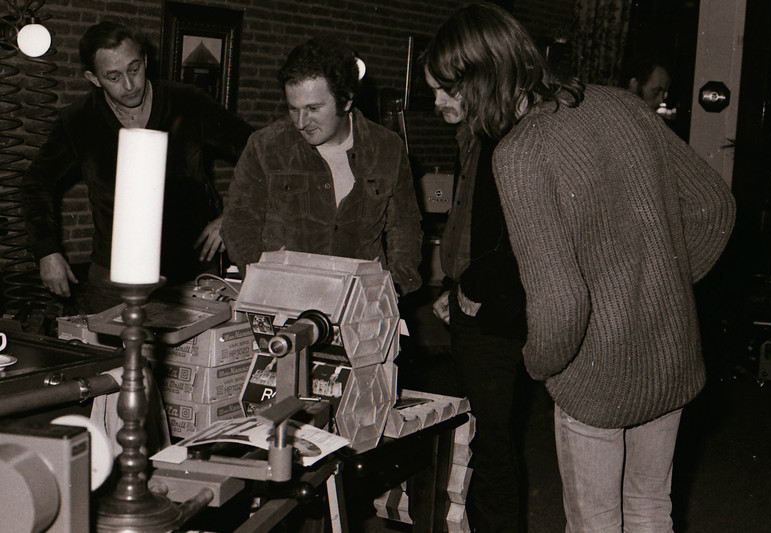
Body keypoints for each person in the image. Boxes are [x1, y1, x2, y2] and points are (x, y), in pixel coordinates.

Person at [427, 3, 736, 532]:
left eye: (447, 89)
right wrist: (658, 292)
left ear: (483, 79)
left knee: (595, 522)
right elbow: (714, 207)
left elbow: (563, 303)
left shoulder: (520, 152)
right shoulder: (619, 102)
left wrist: (539, 364)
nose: (437, 102)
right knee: (650, 507)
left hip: (595, 372)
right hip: (670, 347)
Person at [22, 21, 254, 314]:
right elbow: (36, 183)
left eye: (134, 69)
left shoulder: (188, 102)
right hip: (113, 275)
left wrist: (231, 215)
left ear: (145, 60)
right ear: (94, 78)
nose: (130, 85)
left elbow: (260, 153)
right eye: (114, 77)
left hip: (189, 270)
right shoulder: (78, 120)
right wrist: (47, 251)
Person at [424, 34, 528, 533]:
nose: (436, 102)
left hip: (492, 312)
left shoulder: (507, 140)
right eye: (433, 90)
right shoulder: (470, 135)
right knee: (478, 437)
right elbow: (467, 225)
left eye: (446, 90)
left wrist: (473, 288)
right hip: (469, 301)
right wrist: (453, 285)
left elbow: (518, 237)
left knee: (491, 446)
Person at [222, 37, 423, 296]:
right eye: (293, 109)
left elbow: (405, 226)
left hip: (362, 302)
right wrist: (262, 277)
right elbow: (238, 221)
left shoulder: (388, 148)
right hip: (285, 299)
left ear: (346, 100)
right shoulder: (265, 147)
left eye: (313, 108)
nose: (300, 122)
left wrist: (394, 285)